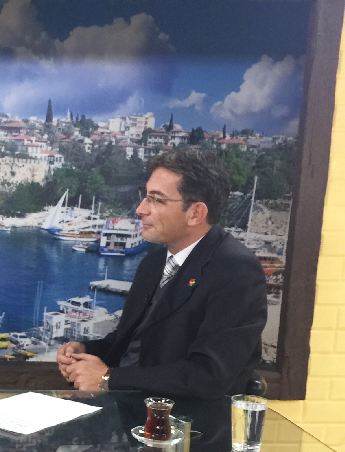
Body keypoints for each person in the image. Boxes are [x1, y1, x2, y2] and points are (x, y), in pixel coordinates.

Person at [56, 148, 267, 398]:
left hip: (185, 419)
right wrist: (85, 351)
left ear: (196, 213)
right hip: (127, 410)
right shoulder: (152, 264)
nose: (140, 209)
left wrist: (108, 378)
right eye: (145, 197)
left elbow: (209, 375)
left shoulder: (236, 270)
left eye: (156, 200)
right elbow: (129, 342)